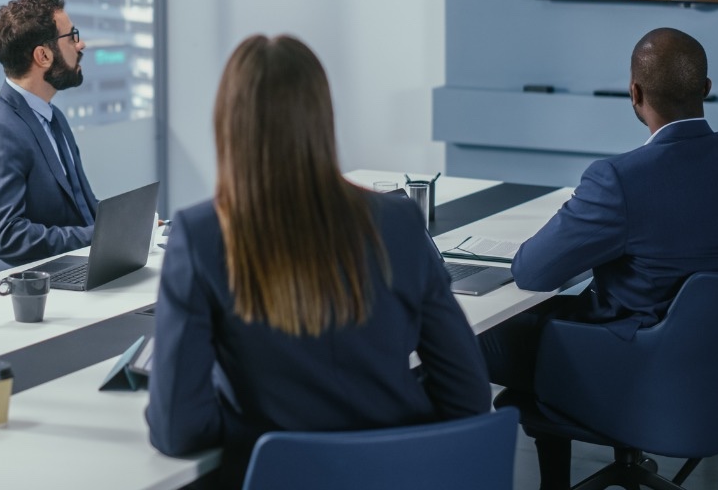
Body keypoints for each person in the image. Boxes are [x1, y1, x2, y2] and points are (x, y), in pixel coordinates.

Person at [146, 35, 491, 489]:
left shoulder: (201, 235)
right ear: (323, 120)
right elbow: (468, 394)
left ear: (227, 126)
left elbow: (177, 430)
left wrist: (250, 430)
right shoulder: (399, 221)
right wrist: (395, 434)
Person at [482, 27, 718, 489]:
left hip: (627, 365)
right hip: (708, 370)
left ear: (634, 93)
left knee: (478, 335)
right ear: (705, 89)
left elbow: (533, 271)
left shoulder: (620, 178)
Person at [0, 0, 99, 265]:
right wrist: (94, 237)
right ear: (43, 56)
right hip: (43, 284)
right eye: (71, 37)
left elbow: (85, 211)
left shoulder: (52, 117)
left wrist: (131, 230)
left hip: (85, 265)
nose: (80, 45)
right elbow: (5, 236)